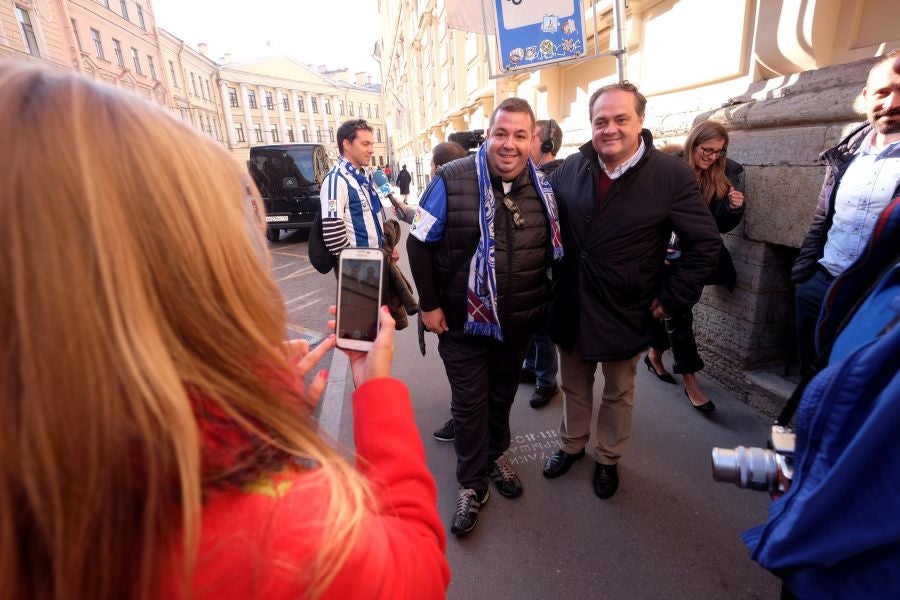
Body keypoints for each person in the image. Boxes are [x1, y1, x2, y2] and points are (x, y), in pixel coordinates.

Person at [0, 61, 449, 599]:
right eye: (237, 228)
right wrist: (376, 392)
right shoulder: (281, 537)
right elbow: (416, 566)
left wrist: (245, 411)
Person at [544, 81, 720, 499]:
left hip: (626, 305)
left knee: (619, 390)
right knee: (574, 385)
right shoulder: (572, 166)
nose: (610, 129)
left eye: (621, 119)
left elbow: (705, 243)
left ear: (640, 121)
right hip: (571, 302)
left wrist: (674, 296)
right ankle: (572, 444)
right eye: (600, 121)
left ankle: (608, 457)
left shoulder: (670, 174)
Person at [407, 97, 563, 535]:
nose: (509, 144)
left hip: (515, 325)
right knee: (470, 403)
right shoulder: (452, 180)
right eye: (501, 133)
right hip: (460, 322)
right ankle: (471, 484)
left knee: (500, 398)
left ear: (534, 141)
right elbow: (418, 243)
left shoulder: (544, 191)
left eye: (520, 135)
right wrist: (430, 304)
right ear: (488, 136)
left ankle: (496, 455)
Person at [792, 50, 900, 376]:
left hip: (873, 300)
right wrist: (803, 277)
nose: (891, 102)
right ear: (867, 96)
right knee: (809, 375)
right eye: (883, 92)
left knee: (846, 382)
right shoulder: (846, 152)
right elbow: (822, 217)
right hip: (819, 286)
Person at [645, 120, 746, 412]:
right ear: (694, 143)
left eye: (719, 152)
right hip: (664, 257)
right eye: (708, 149)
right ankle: (690, 379)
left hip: (695, 261)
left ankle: (654, 353)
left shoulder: (721, 175)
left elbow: (718, 227)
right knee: (679, 314)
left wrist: (732, 208)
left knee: (673, 311)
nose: (713, 157)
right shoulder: (669, 169)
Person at [521, 118, 565, 409]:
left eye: (531, 138)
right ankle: (532, 366)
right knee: (533, 323)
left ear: (546, 145)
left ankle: (547, 382)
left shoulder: (552, 177)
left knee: (541, 327)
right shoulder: (537, 174)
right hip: (537, 262)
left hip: (548, 266)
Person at [321, 119, 388, 256]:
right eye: (365, 144)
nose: (371, 150)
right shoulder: (336, 179)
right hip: (361, 270)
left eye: (372, 144)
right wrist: (358, 266)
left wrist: (385, 249)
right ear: (347, 144)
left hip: (376, 260)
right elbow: (334, 238)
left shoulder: (360, 176)